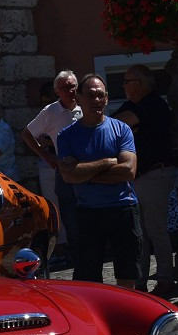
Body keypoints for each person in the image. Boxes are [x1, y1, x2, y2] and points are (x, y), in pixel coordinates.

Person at [55, 74, 141, 289]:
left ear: (107, 98)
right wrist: (107, 162)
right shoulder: (66, 136)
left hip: (124, 208)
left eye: (101, 96)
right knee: (88, 278)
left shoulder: (121, 130)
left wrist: (84, 173)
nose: (96, 101)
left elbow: (128, 171)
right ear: (80, 98)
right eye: (91, 95)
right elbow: (68, 176)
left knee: (127, 274)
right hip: (88, 212)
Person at [114, 64, 176, 295]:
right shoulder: (132, 105)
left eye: (126, 81)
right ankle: (140, 282)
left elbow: (119, 124)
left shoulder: (154, 104)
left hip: (154, 173)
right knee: (139, 231)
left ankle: (165, 279)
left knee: (155, 229)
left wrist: (128, 127)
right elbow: (113, 124)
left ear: (138, 84)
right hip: (138, 177)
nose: (124, 85)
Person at [22, 71, 81, 268]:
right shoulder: (51, 111)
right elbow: (27, 134)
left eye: (73, 86)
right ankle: (74, 257)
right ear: (57, 91)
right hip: (65, 172)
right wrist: (47, 155)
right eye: (65, 88)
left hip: (88, 170)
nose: (71, 91)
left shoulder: (83, 107)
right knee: (69, 216)